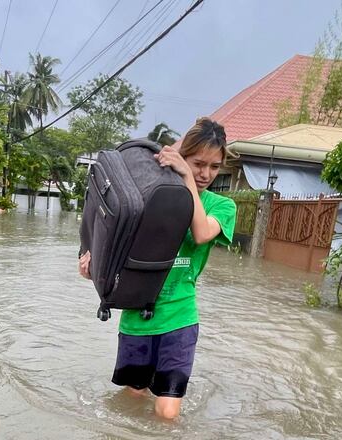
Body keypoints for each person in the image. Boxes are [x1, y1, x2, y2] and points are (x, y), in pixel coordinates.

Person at [78, 117, 237, 420]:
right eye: (197, 163)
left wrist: (186, 179)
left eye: (214, 167)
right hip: (137, 317)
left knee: (166, 414)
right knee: (132, 401)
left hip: (180, 318)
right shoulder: (152, 195)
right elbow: (115, 241)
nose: (205, 174)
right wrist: (91, 266)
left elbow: (202, 233)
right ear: (183, 156)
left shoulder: (222, 206)